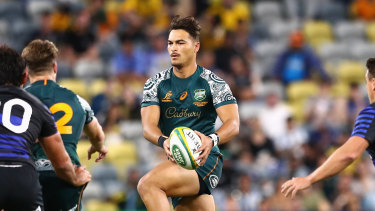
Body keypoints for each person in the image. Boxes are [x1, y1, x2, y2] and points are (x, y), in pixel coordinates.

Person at [138, 16, 240, 211]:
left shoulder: (213, 83)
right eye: (170, 43)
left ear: (196, 47)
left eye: (180, 42)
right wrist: (163, 141)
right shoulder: (155, 84)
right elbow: (148, 127)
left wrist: (211, 140)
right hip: (178, 160)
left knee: (148, 184)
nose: (173, 48)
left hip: (203, 160)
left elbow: (233, 124)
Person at [0, 45, 91, 210]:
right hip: (23, 181)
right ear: (23, 77)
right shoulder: (37, 107)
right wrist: (75, 179)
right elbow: (61, 162)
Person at [21, 39, 108, 211]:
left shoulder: (18, 100)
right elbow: (97, 135)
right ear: (55, 67)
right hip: (67, 174)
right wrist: (98, 146)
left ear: (27, 71)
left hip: (29, 176)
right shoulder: (77, 100)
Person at [281, 58, 375, 199]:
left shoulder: (371, 113)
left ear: (373, 83)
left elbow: (349, 154)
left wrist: (310, 179)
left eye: (366, 81)